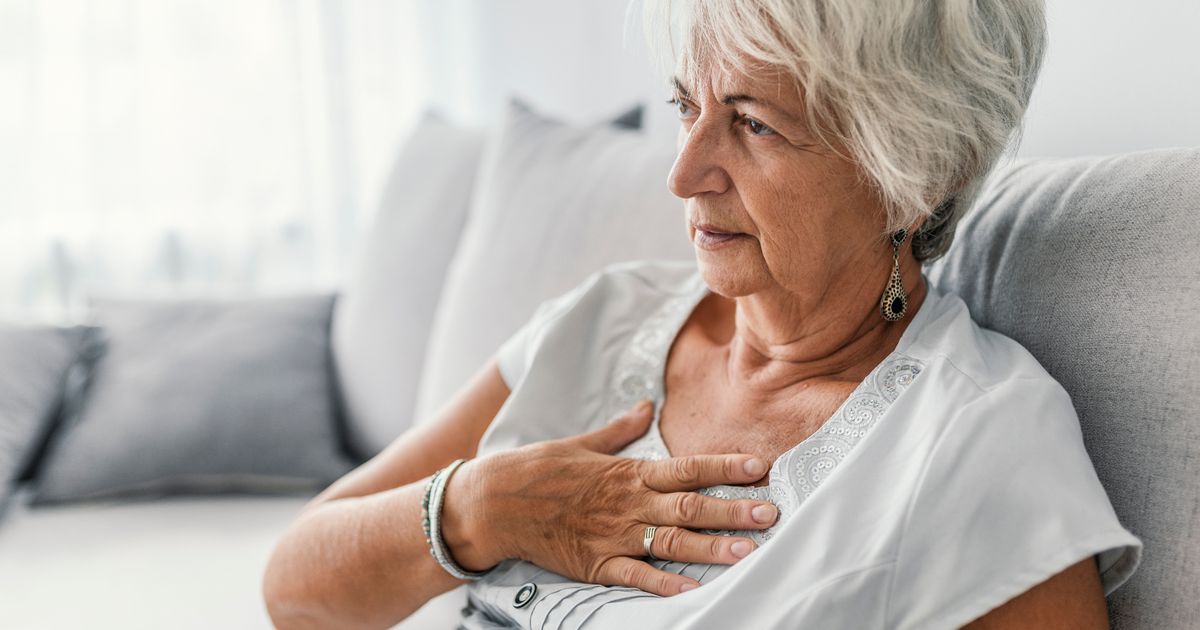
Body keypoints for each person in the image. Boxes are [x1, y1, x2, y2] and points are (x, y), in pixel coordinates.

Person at [263, 1, 1143, 628]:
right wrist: (481, 507)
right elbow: (295, 590)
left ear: (915, 171)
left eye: (752, 123)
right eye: (688, 105)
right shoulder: (602, 318)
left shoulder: (977, 439)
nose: (682, 173)